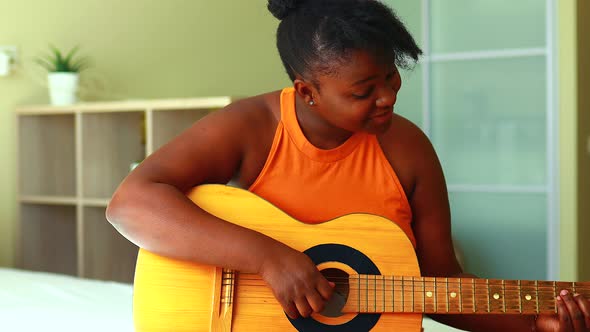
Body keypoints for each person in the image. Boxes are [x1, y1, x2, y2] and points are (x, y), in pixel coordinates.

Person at [106, 0, 590, 331]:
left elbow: (436, 282)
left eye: (390, 76)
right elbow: (130, 204)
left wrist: (531, 321)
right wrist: (271, 259)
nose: (387, 97)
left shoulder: (409, 150)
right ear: (306, 92)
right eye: (363, 92)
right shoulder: (252, 128)